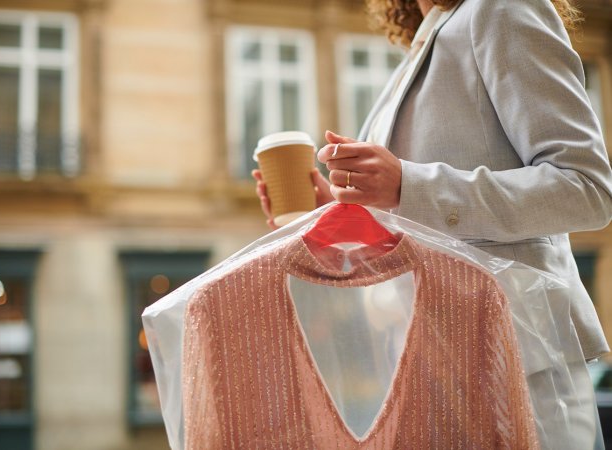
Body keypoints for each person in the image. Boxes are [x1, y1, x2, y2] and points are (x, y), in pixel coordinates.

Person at [253, 0, 612, 363]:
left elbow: (586, 189)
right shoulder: (419, 50)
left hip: (517, 356)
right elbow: (416, 229)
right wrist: (335, 214)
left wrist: (408, 186)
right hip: (424, 363)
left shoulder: (502, 8)